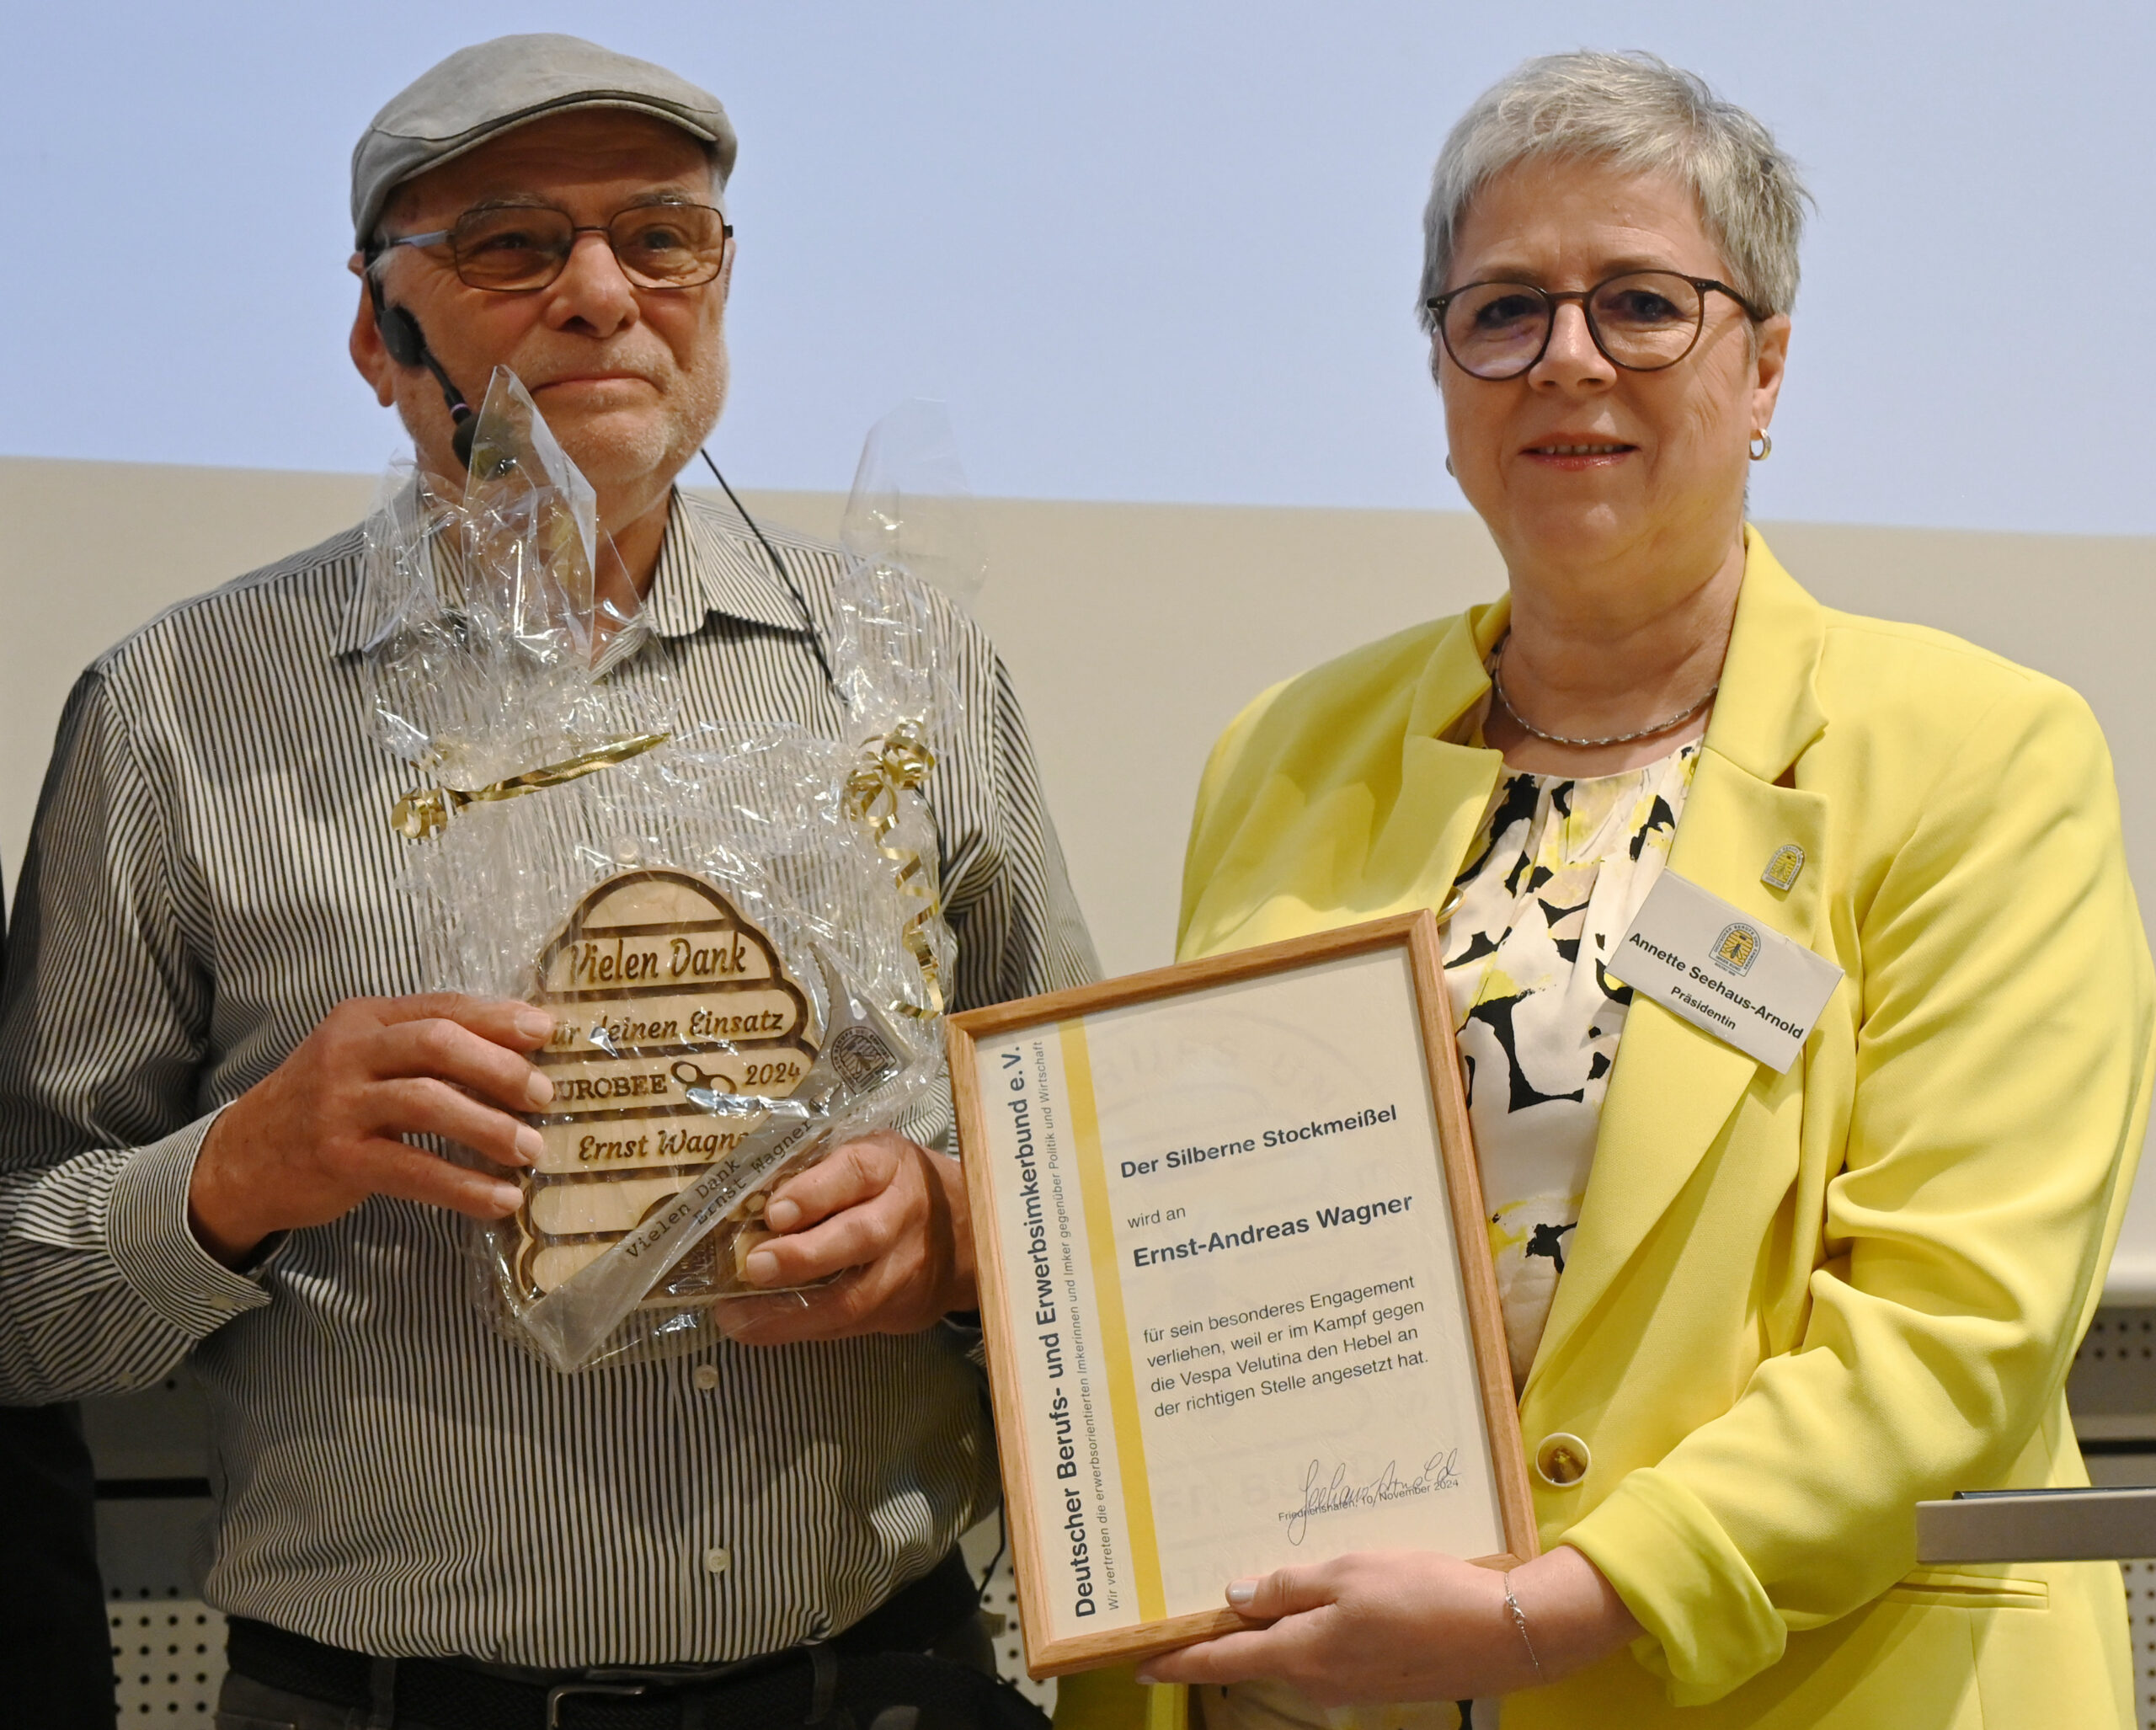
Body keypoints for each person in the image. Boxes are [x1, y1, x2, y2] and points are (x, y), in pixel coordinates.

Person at [0, 35, 1094, 1730]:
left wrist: (955, 1229)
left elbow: (1086, 1167)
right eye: (512, 243)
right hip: (373, 1701)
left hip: (874, 1684)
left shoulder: (908, 675)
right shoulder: (180, 712)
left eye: (663, 236)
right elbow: (16, 1309)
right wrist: (238, 1168)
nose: (602, 292)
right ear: (379, 332)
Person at [1061, 50, 2152, 1730]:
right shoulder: (1284, 747)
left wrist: (1534, 1617)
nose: (1564, 358)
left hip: (1795, 1688)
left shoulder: (1976, 757)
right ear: (1439, 375)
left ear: (1764, 367)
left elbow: (1950, 1332)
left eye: (1639, 303)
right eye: (1500, 311)